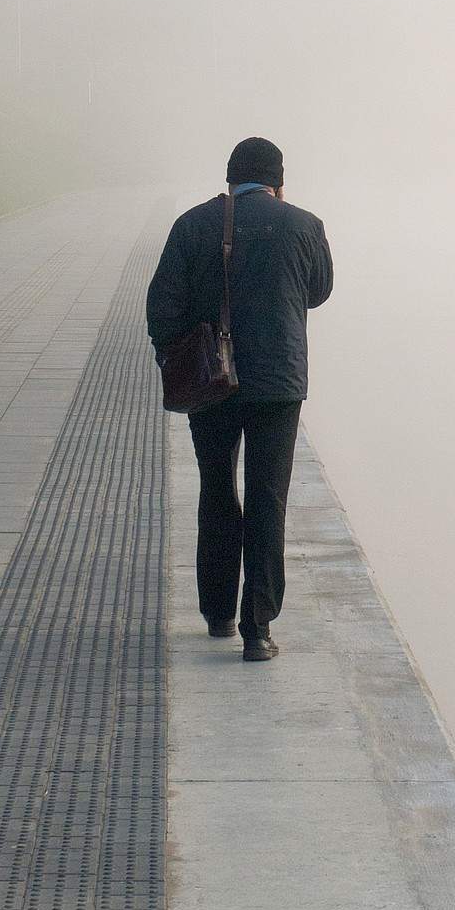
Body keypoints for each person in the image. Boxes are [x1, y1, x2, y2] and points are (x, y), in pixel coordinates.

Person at [146, 136, 334, 661]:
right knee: (267, 498)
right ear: (278, 182)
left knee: (217, 491)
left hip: (211, 383)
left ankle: (219, 613)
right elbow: (318, 292)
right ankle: (259, 630)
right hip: (278, 385)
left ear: (228, 179)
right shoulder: (304, 225)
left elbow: (162, 304)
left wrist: (177, 356)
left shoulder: (192, 224)